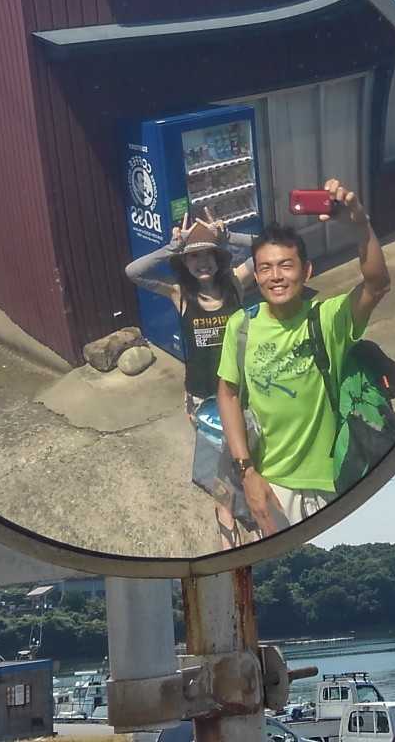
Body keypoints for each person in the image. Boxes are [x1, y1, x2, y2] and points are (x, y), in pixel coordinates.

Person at [217, 179, 391, 535]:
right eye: (265, 268)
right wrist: (247, 473)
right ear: (256, 275)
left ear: (307, 271)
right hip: (273, 484)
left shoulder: (327, 319)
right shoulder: (241, 325)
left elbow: (377, 285)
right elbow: (228, 393)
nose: (275, 277)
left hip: (333, 482)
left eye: (286, 265)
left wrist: (361, 225)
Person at [124, 207, 255, 547]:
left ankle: (249, 504)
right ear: (184, 262)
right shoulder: (179, 293)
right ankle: (226, 516)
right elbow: (133, 272)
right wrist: (173, 247)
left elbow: (266, 248)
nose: (202, 262)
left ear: (218, 257)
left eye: (208, 254)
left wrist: (229, 237)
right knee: (217, 461)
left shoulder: (235, 285)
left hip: (241, 391)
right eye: (193, 256)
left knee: (245, 453)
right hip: (201, 396)